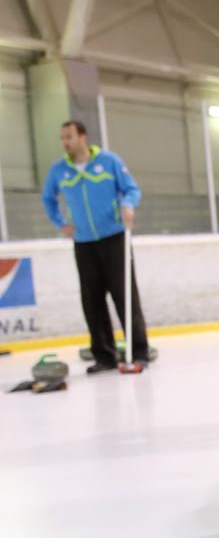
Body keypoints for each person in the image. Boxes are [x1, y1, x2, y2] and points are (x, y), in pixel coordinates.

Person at [42, 120, 151, 373]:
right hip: (84, 242)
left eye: (69, 137)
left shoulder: (109, 161)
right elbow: (48, 198)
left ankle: (139, 350)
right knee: (91, 299)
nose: (65, 142)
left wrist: (128, 205)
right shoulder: (59, 170)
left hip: (114, 236)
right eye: (62, 138)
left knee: (125, 294)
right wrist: (61, 223)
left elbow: (131, 189)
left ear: (83, 137)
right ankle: (104, 356)